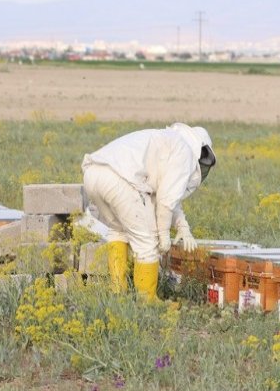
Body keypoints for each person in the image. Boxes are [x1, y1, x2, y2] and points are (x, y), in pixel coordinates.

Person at [81, 123, 216, 300]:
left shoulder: (168, 141)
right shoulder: (185, 153)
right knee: (146, 245)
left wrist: (183, 226)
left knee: (118, 232)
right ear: (201, 150)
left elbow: (168, 195)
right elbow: (166, 200)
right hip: (120, 180)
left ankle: (117, 293)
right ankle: (147, 301)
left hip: (93, 173)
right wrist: (163, 235)